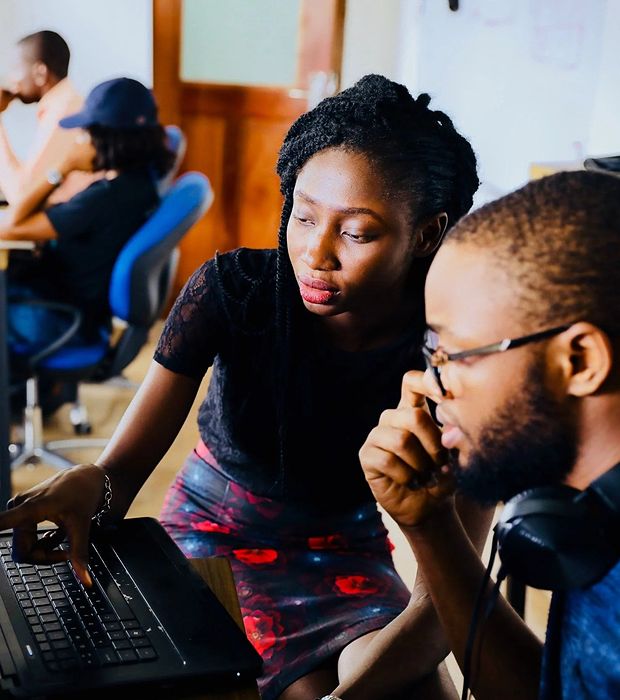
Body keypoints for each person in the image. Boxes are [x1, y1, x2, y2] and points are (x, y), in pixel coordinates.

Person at [0, 75, 489, 700]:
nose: (315, 253)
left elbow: (450, 596)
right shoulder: (234, 292)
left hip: (346, 555)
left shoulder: (455, 352)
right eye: (303, 216)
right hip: (213, 533)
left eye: (356, 232)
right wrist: (88, 484)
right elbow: (119, 474)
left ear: (425, 233)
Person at [357, 170, 620, 700]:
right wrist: (429, 526)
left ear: (579, 361)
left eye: (454, 354)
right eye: (431, 352)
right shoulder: (586, 515)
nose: (428, 383)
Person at [1, 76, 173, 404]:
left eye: (86, 131)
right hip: (82, 310)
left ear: (107, 139)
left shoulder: (102, 200)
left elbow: (11, 224)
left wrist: (61, 168)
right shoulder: (142, 182)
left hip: (60, 316)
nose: (80, 139)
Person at [0, 30, 97, 205]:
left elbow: (21, 196)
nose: (10, 79)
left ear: (40, 73)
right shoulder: (64, 103)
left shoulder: (64, 113)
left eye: (14, 69)